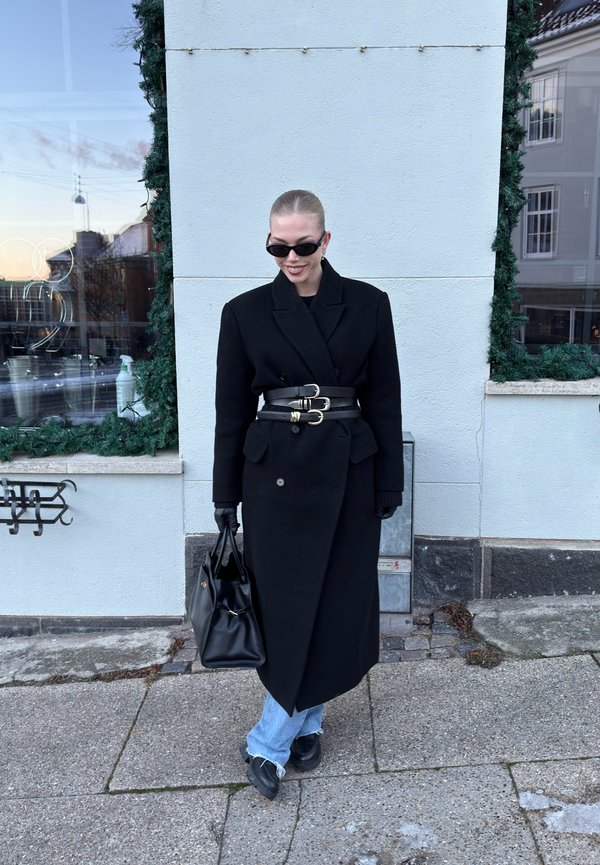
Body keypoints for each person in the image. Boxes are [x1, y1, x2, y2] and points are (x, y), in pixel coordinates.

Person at [212, 189, 403, 801]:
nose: (290, 257)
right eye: (277, 246)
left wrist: (389, 479)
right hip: (275, 478)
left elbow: (385, 400)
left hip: (349, 469)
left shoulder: (370, 305)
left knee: (335, 601)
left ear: (326, 240)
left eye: (302, 244)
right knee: (288, 607)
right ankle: (274, 738)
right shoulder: (242, 312)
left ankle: (300, 723)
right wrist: (224, 494)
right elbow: (230, 411)